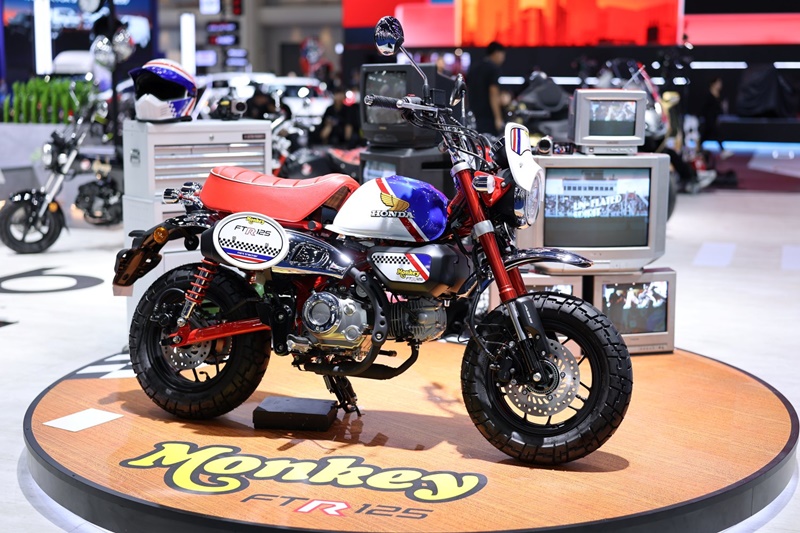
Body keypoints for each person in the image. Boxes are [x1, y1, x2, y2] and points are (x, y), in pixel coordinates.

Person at [466, 41, 506, 135]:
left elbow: (466, 90)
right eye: (503, 55)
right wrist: (498, 118)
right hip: (488, 116)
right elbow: (493, 92)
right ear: (497, 53)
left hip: (473, 114)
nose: (503, 58)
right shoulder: (493, 68)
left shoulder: (474, 68)